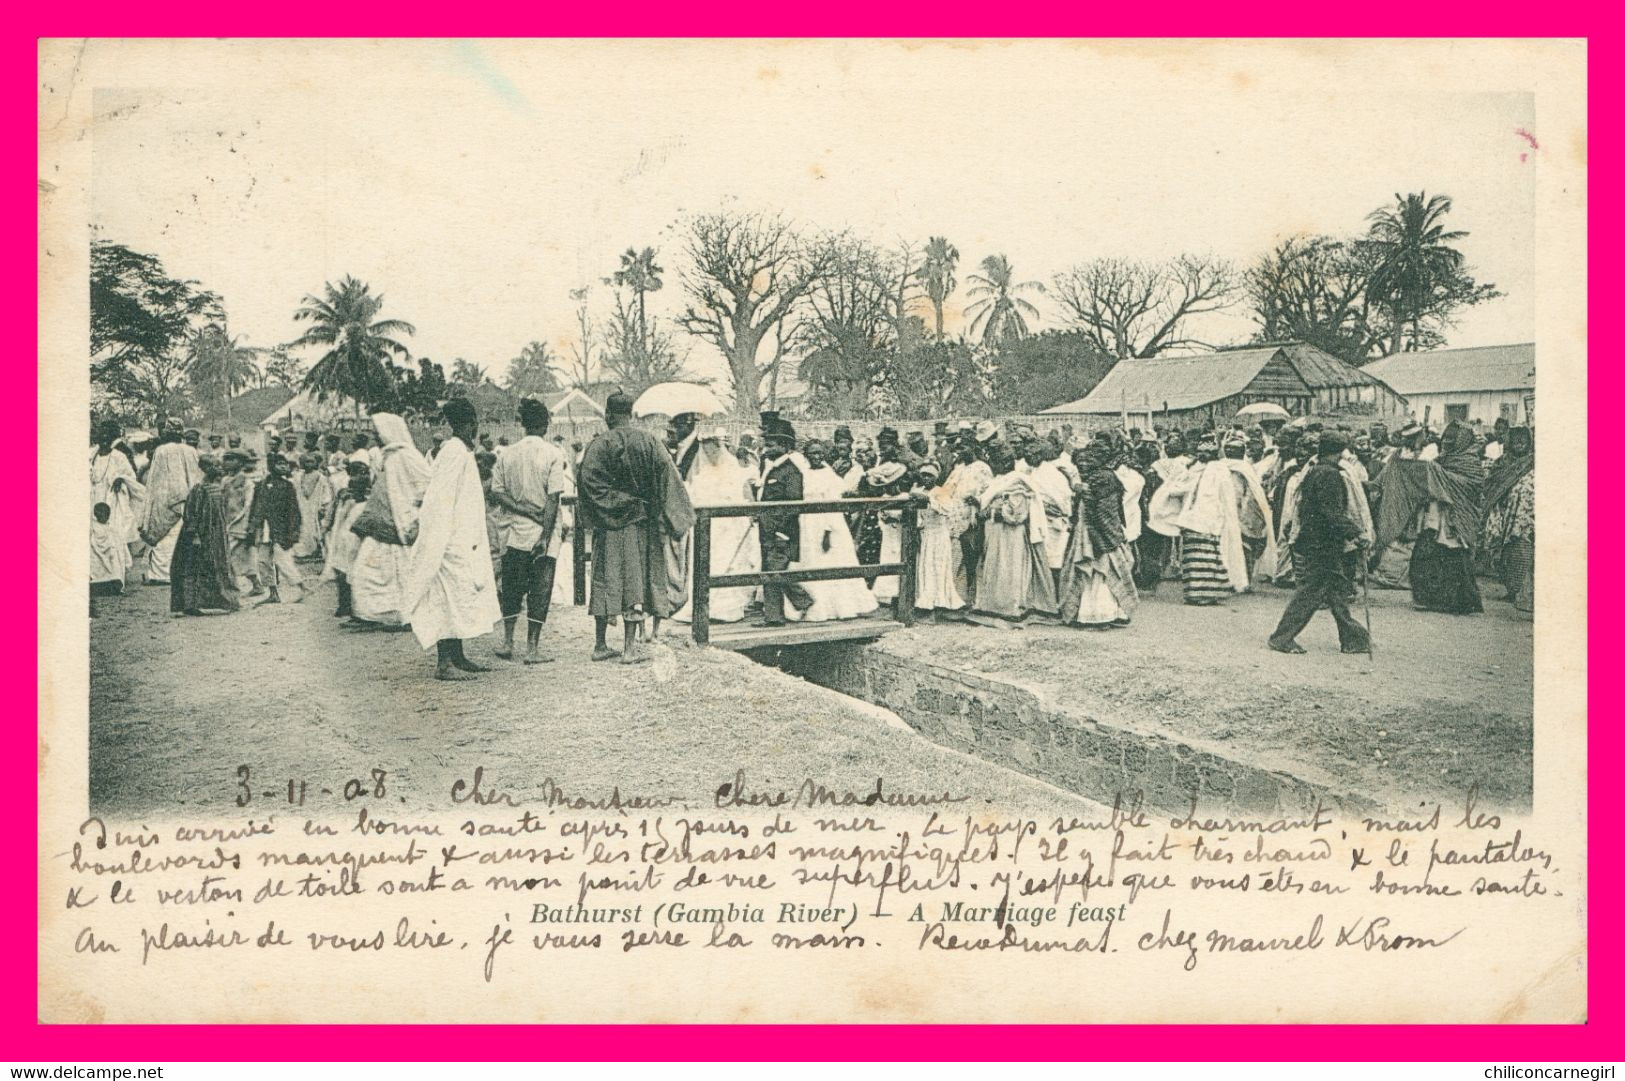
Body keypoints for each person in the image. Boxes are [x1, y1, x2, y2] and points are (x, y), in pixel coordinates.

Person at [576, 391, 695, 662]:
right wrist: (676, 519)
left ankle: (600, 644)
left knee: (605, 579)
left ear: (608, 415)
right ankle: (629, 648)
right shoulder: (650, 442)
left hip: (609, 525)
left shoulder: (598, 445)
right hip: (641, 525)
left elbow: (587, 482)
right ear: (629, 414)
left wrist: (608, 508)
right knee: (636, 582)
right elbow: (670, 480)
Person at [405, 399, 504, 680]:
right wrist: (438, 541)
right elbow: (439, 500)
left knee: (460, 599)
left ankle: (458, 656)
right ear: (470, 424)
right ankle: (444, 663)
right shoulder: (453, 452)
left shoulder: (460, 451)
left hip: (463, 539)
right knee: (445, 600)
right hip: (448, 542)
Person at [1267, 431, 1371, 655]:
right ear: (1339, 452)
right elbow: (1331, 512)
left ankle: (1354, 638)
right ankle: (1281, 638)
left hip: (1316, 541)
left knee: (1335, 592)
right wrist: (1356, 533)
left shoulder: (1315, 471)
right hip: (1322, 544)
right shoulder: (1330, 475)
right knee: (1310, 593)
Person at [1372, 421, 1486, 615]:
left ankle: (1459, 602)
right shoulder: (1442, 460)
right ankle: (1430, 599)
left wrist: (1437, 474)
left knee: (1454, 559)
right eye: (1446, 439)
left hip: (1456, 519)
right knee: (1425, 555)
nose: (1448, 443)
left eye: (1452, 440)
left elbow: (1468, 485)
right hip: (1436, 518)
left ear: (1463, 441)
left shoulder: (1470, 463)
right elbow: (1428, 478)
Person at [489, 398, 569, 664]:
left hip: (513, 531)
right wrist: (545, 536)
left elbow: (497, 493)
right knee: (540, 590)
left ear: (523, 424)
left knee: (511, 587)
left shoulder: (506, 454)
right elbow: (553, 499)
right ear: (545, 425)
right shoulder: (553, 454)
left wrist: (523, 510)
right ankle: (532, 648)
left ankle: (508, 641)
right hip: (542, 532)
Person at [1149, 434, 1254, 607]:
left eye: (1206, 452)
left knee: (1208, 558)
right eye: (1199, 452)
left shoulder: (1220, 470)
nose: (1202, 455)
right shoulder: (1193, 469)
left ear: (1214, 454)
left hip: (1211, 520)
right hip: (1191, 519)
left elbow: (1227, 498)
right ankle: (1194, 593)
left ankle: (1207, 594)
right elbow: (1179, 488)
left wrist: (1222, 519)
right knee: (1192, 558)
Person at [348, 413, 430, 629]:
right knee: (366, 572)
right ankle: (381, 615)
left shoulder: (408, 456)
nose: (376, 436)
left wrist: (415, 516)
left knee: (404, 575)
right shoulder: (387, 457)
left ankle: (406, 616)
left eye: (378, 432)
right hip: (383, 524)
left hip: (404, 523)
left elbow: (427, 485)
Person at [673, 423, 759, 625]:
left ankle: (726, 608)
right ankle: (701, 605)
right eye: (706, 449)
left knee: (727, 563)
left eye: (714, 448)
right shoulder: (700, 476)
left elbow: (746, 498)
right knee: (705, 562)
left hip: (728, 527)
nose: (711, 453)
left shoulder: (735, 472)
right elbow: (691, 500)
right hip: (705, 528)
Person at [788, 439, 878, 622]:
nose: (817, 456)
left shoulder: (828, 474)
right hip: (807, 523)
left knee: (829, 559)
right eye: (813, 453)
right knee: (810, 560)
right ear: (806, 455)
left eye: (820, 453)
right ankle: (810, 605)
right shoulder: (802, 473)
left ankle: (838, 605)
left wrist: (828, 531)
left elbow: (833, 503)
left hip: (827, 521)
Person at [1057, 440, 1137, 629]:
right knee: (1101, 570)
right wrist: (1113, 536)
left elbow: (1102, 511)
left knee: (1095, 571)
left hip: (1089, 531)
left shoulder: (1098, 478)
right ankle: (1103, 613)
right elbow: (1105, 513)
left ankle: (1094, 614)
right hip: (1095, 530)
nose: (1084, 465)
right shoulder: (1105, 477)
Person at [973, 444, 1058, 620]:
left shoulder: (1017, 482)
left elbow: (1017, 515)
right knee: (998, 566)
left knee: (1010, 568)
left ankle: (1011, 606)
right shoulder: (1002, 481)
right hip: (997, 533)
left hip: (1012, 535)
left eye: (995, 462)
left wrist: (991, 513)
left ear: (1004, 463)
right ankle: (994, 605)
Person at [756, 416, 815, 624]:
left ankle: (802, 601)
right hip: (766, 529)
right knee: (770, 571)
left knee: (775, 571)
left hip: (782, 532)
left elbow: (793, 505)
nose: (766, 448)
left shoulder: (791, 472)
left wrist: (782, 532)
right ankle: (774, 616)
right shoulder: (771, 468)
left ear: (784, 446)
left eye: (771, 445)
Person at [170, 456, 240, 616]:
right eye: (216, 466)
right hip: (201, 537)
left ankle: (224, 601)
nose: (220, 469)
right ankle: (190, 605)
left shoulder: (220, 489)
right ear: (207, 469)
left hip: (216, 537)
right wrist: (194, 536)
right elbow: (191, 515)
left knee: (217, 566)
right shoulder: (199, 489)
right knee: (194, 568)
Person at [138, 426, 201, 585]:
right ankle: (182, 573)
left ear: (167, 433)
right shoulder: (191, 451)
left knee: (164, 536)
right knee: (181, 535)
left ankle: (161, 575)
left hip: (165, 499)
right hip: (188, 499)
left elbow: (155, 479)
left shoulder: (161, 450)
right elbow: (196, 477)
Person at [1482, 426, 1534, 612]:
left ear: (1529, 442)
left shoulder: (1532, 463)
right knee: (1502, 554)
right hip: (1501, 514)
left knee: (1519, 552)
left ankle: (1519, 591)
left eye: (1524, 440)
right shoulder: (1501, 463)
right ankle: (1510, 589)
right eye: (1516, 439)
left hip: (1521, 519)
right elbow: (1490, 484)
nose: (1520, 443)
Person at [245, 453, 304, 604]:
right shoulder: (261, 485)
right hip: (264, 528)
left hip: (281, 529)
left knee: (282, 559)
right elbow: (254, 507)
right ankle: (273, 592)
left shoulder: (287, 486)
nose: (283, 467)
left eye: (285, 464)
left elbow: (294, 511)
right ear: (271, 466)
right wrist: (252, 526)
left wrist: (293, 531)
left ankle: (301, 587)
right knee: (263, 561)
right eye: (279, 464)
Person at [1024, 439, 1074, 593]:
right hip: (1040, 522)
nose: (1028, 457)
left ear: (1040, 455)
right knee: (1042, 561)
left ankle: (1056, 597)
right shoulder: (1033, 471)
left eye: (1032, 454)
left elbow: (1063, 500)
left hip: (1054, 523)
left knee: (1054, 562)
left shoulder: (1052, 474)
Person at [322, 463, 371, 618]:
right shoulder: (345, 496)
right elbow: (335, 514)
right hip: (344, 538)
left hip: (354, 540)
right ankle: (345, 606)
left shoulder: (364, 503)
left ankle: (352, 609)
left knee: (351, 574)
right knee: (341, 572)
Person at [90, 421, 143, 552]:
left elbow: (131, 476)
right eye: (101, 436)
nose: (104, 440)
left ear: (111, 438)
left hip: (113, 500)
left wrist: (120, 479)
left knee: (114, 536)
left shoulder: (119, 457)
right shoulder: (92, 456)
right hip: (94, 497)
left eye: (107, 437)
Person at [292, 452, 332, 560]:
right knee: (303, 527)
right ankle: (302, 551)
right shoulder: (299, 476)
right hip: (302, 505)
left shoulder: (321, 477)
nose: (308, 464)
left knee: (315, 527)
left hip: (315, 505)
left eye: (311, 462)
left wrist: (324, 506)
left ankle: (315, 550)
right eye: (306, 462)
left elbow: (326, 493)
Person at [90, 502, 131, 596]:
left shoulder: (112, 528)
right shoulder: (93, 527)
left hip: (112, 558)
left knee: (115, 562)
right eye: (100, 514)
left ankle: (114, 584)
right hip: (97, 556)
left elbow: (122, 544)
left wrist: (127, 562)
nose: (103, 517)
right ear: (96, 515)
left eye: (105, 514)